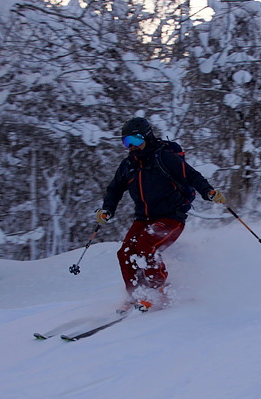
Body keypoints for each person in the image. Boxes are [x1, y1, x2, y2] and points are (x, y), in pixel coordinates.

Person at [96, 117, 226, 312]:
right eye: (126, 142)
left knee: (145, 246)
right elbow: (115, 189)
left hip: (171, 217)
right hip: (143, 218)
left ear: (147, 138)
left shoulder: (164, 157)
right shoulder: (128, 165)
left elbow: (191, 175)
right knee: (125, 253)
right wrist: (107, 209)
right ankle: (135, 294)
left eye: (136, 141)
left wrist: (208, 192)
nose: (131, 147)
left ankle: (158, 290)